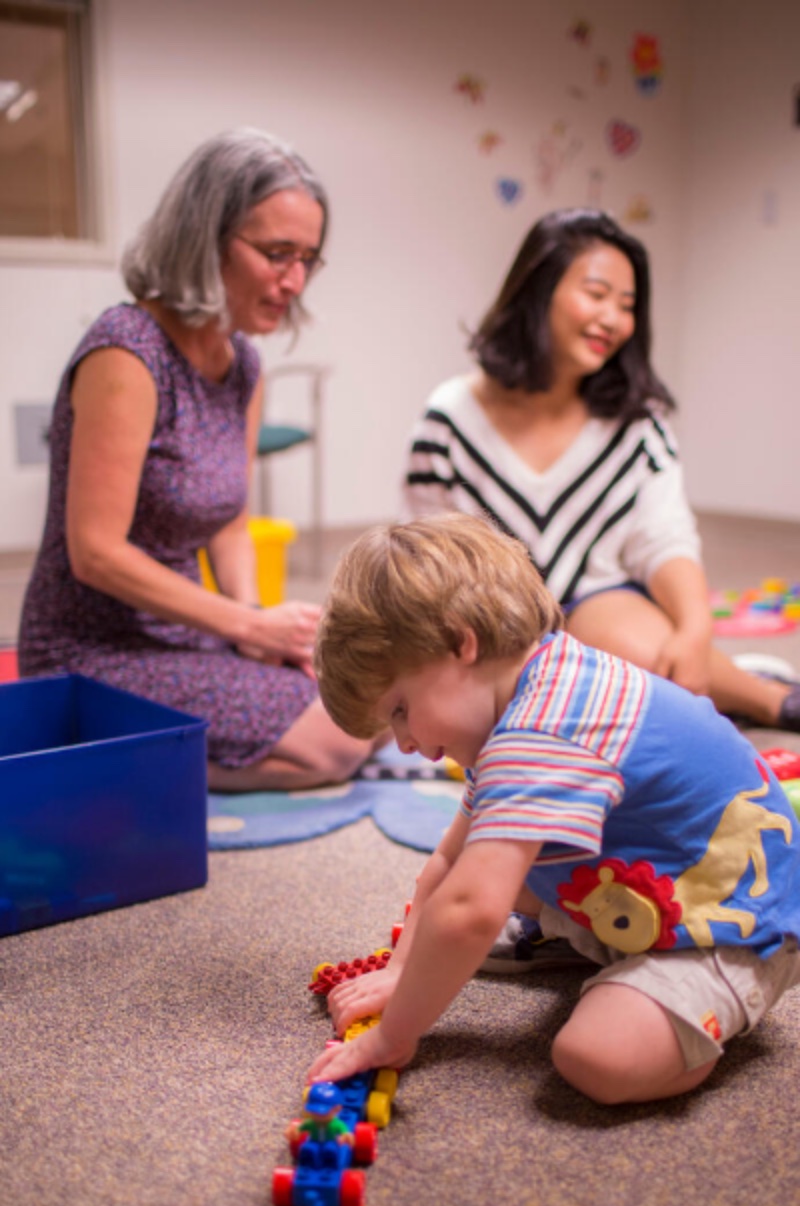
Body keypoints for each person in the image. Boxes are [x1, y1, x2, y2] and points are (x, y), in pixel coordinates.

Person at [306, 514, 800, 1105]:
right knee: (481, 877)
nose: (405, 743)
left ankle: (712, 1006)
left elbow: (467, 912)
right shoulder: (532, 689)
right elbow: (448, 862)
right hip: (654, 877)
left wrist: (394, 1035)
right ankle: (602, 945)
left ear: (462, 643)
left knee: (594, 1056)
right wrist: (401, 972)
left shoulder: (544, 731)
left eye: (401, 710)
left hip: (735, 920)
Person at [18, 128, 377, 790]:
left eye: (307, 259)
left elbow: (232, 522)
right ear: (205, 237)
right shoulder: (126, 351)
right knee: (337, 742)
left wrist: (255, 634)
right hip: (95, 649)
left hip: (186, 631)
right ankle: (114, 761)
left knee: (364, 695)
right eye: (276, 254)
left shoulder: (242, 362)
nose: (294, 281)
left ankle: (150, 750)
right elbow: (93, 552)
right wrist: (246, 623)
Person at [404, 208, 800, 733]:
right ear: (537, 290)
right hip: (491, 630)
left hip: (601, 607)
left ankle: (769, 699)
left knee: (636, 656)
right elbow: (427, 558)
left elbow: (664, 538)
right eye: (596, 294)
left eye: (627, 305)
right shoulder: (450, 416)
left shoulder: (637, 422)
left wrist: (695, 629)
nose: (613, 320)